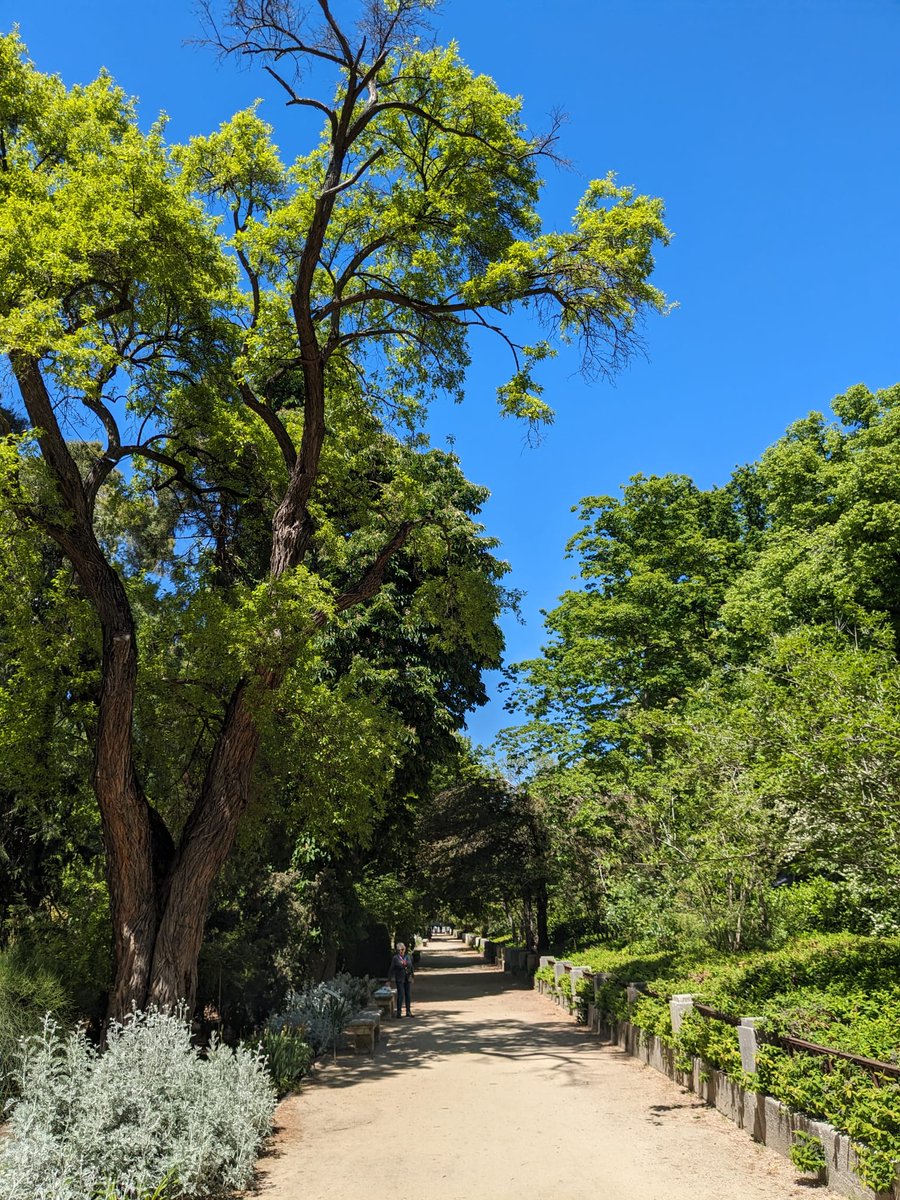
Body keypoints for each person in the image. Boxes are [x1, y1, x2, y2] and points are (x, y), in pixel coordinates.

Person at [386, 941, 413, 1017]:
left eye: (402, 949)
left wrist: (412, 976)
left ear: (404, 949)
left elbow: (411, 967)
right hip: (400, 978)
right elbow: (391, 969)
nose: (400, 951)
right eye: (399, 950)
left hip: (407, 978)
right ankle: (399, 1012)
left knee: (408, 995)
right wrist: (389, 980)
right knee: (400, 995)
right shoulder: (395, 958)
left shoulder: (408, 956)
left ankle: (408, 1011)